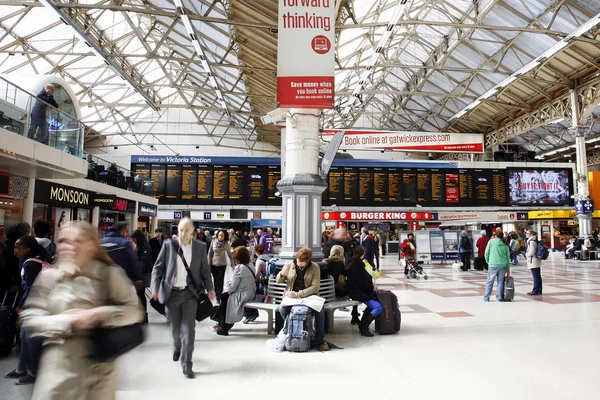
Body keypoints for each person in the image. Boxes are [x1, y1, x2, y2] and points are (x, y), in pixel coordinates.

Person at [19, 221, 143, 399]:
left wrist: (100, 315)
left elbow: (134, 311)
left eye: (77, 241)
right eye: (63, 241)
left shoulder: (109, 274)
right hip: (57, 376)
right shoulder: (49, 276)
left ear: (92, 245)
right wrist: (63, 322)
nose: (69, 246)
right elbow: (30, 316)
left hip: (97, 377)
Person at [151, 218, 216, 379]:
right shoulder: (169, 245)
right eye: (179, 230)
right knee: (175, 329)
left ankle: (187, 364)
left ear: (192, 231)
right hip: (171, 293)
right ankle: (177, 346)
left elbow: (205, 271)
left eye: (185, 230)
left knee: (189, 329)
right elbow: (157, 268)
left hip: (190, 294)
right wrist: (155, 287)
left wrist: (210, 289)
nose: (182, 233)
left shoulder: (200, 247)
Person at [4, 236, 52, 385]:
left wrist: (21, 306)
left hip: (36, 306)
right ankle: (22, 368)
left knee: (31, 339)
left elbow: (31, 288)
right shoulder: (41, 260)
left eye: (18, 247)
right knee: (26, 337)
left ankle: (33, 372)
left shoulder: (30, 264)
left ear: (27, 250)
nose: (15, 250)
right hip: (44, 304)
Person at [276, 247, 329, 351]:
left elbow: (315, 287)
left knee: (320, 310)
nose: (299, 263)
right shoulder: (290, 265)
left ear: (308, 261)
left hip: (308, 296)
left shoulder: (315, 267)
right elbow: (279, 281)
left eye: (302, 262)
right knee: (282, 309)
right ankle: (291, 332)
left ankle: (319, 339)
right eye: (298, 260)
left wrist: (298, 294)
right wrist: (282, 273)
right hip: (291, 296)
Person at [213, 246, 256, 335]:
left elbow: (233, 286)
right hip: (251, 292)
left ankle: (224, 325)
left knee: (224, 298)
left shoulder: (239, 268)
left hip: (243, 294)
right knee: (225, 298)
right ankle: (222, 322)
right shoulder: (251, 265)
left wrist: (228, 292)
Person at [345, 246, 382, 337]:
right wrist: (372, 287)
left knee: (372, 303)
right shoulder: (359, 264)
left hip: (352, 290)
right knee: (378, 307)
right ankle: (364, 326)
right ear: (362, 253)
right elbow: (361, 282)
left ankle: (362, 325)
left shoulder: (351, 262)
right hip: (358, 292)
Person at [101, 222, 142, 289]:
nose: (127, 233)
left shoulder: (100, 242)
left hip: (102, 281)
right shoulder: (124, 243)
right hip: (121, 282)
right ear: (123, 230)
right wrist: (137, 278)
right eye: (126, 230)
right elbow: (133, 261)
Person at [0, 222, 31, 299]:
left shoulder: (4, 245)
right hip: (9, 286)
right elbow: (13, 266)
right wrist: (14, 282)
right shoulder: (18, 249)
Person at [131, 230, 153, 324]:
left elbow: (144, 261)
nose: (134, 241)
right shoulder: (140, 246)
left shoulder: (145, 246)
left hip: (143, 274)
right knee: (140, 294)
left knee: (141, 294)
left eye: (134, 239)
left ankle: (143, 315)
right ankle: (141, 314)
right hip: (140, 273)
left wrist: (139, 276)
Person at [483, 230, 511, 302]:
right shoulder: (505, 244)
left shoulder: (491, 242)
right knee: (500, 282)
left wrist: (488, 261)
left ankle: (486, 297)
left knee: (490, 281)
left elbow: (486, 253)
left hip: (492, 265)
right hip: (503, 265)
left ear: (495, 235)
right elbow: (508, 257)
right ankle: (499, 297)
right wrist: (508, 268)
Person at [208, 230, 234, 302]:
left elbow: (229, 254)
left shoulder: (226, 244)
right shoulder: (213, 242)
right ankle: (216, 294)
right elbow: (210, 254)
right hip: (214, 264)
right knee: (216, 280)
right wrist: (208, 264)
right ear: (217, 235)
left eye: (222, 235)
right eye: (219, 235)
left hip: (222, 264)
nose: (221, 237)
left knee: (220, 280)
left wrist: (232, 263)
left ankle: (219, 296)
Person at [526, 230, 543, 296]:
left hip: (533, 261)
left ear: (531, 234)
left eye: (527, 233)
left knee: (536, 277)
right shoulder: (534, 240)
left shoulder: (531, 242)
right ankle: (539, 289)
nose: (526, 234)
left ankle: (535, 290)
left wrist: (527, 254)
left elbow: (532, 251)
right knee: (538, 276)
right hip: (536, 261)